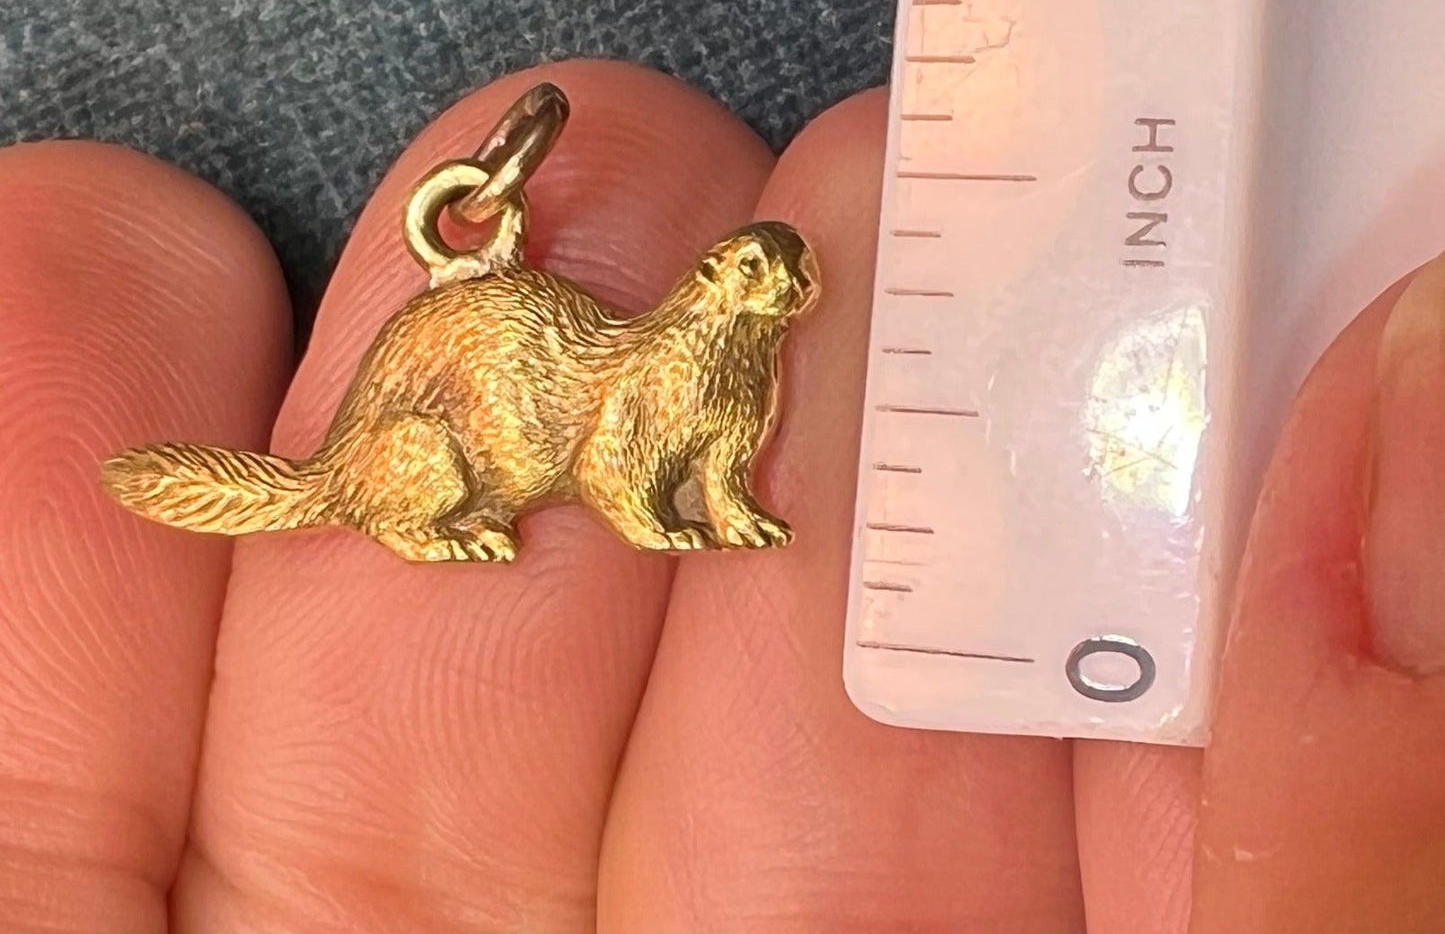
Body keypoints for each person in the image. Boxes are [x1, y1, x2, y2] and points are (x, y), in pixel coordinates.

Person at [1, 59, 1441, 932]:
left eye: (782, 278)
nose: (782, 289)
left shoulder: (733, 372)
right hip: (432, 461)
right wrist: (661, 516)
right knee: (441, 467)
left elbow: (705, 455)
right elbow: (625, 470)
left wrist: (722, 505)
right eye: (760, 276)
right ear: (719, 283)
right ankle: (412, 506)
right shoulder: (672, 357)